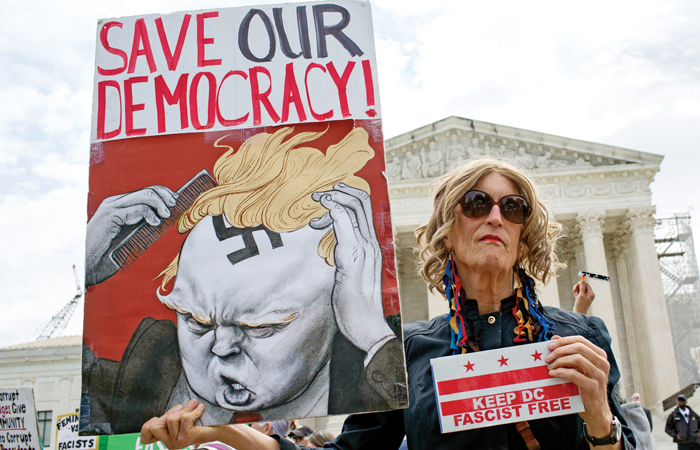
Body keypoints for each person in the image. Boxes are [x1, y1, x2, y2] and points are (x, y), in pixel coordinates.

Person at [140, 158, 634, 449]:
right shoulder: (406, 351)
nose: (496, 218)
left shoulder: (581, 338)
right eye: (477, 204)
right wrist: (220, 433)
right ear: (446, 233)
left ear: (525, 237)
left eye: (514, 208)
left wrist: (600, 420)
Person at [80, 126, 406, 434]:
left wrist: (373, 336)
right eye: (195, 320)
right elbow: (88, 393)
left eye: (261, 326)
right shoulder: (144, 371)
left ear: (340, 307)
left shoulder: (373, 381)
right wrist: (90, 272)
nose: (222, 348)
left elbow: (416, 417)